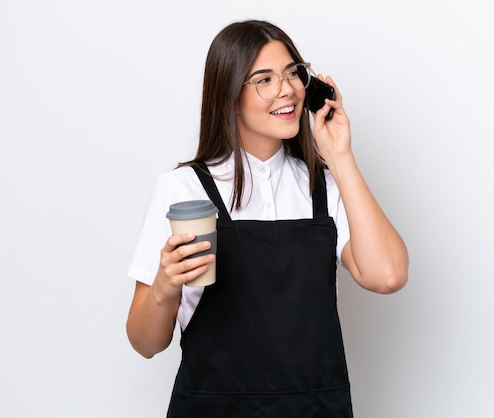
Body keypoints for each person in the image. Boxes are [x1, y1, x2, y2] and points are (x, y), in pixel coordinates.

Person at [125, 19, 409, 417]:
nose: (287, 89)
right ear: (229, 95)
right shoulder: (182, 189)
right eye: (264, 79)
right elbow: (145, 343)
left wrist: (340, 156)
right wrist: (164, 288)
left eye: (293, 73)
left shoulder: (324, 186)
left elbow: (388, 276)